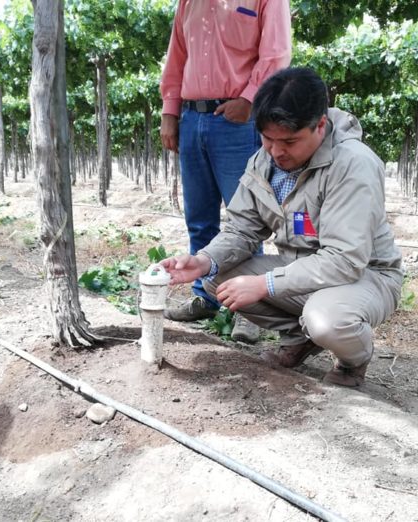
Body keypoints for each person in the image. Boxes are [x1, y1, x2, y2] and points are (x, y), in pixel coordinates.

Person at [160, 67, 404, 387]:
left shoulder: (353, 165)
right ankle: (297, 339)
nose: (276, 151)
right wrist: (203, 260)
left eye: (289, 141)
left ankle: (352, 361)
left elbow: (345, 260)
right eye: (267, 138)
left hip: (366, 275)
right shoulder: (265, 160)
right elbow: (241, 229)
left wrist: (266, 284)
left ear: (319, 125)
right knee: (217, 277)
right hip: (303, 270)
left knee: (326, 320)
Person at [159, 0, 292, 344]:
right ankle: (206, 296)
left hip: (237, 120)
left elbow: (276, 54)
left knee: (246, 220)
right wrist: (170, 112)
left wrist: (250, 100)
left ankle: (249, 310)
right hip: (192, 118)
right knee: (199, 218)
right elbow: (176, 56)